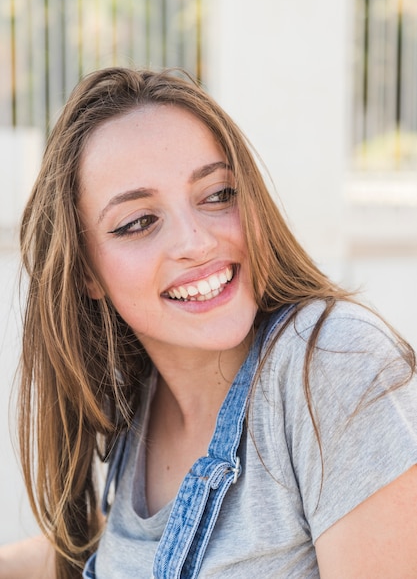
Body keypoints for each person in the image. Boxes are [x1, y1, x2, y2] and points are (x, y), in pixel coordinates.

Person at [1, 66, 417, 579]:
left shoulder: (334, 366)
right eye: (138, 223)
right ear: (87, 273)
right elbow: (123, 553)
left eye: (218, 194)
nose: (196, 242)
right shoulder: (140, 402)